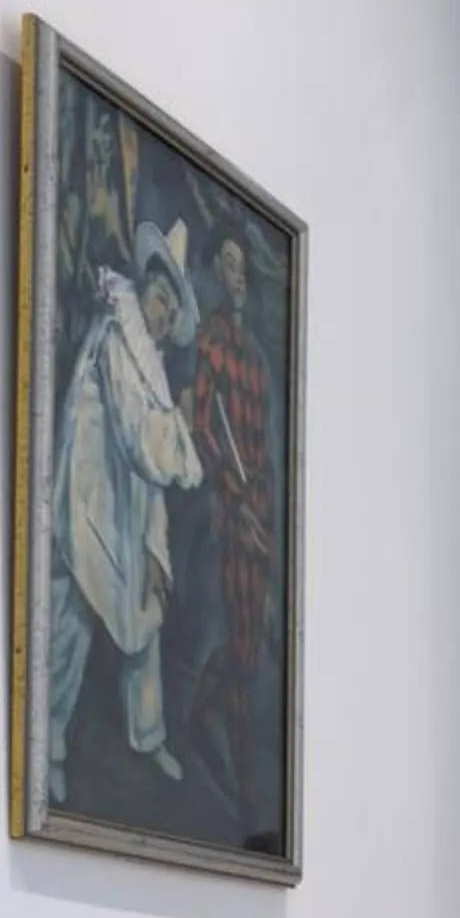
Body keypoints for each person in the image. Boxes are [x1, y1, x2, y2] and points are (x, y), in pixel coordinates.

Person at [46, 218, 204, 800]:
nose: (162, 315)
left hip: (129, 509)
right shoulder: (117, 333)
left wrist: (157, 547)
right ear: (145, 287)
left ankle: (147, 734)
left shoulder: (153, 362)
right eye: (161, 300)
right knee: (72, 615)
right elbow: (143, 441)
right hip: (89, 501)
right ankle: (50, 745)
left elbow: (149, 476)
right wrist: (183, 450)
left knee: (146, 617)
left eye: (170, 309)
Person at [188, 224, 277, 794]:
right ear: (216, 273)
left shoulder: (256, 358)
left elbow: (260, 442)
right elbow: (205, 429)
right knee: (243, 634)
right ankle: (216, 732)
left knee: (254, 633)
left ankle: (210, 721)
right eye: (228, 263)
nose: (238, 274)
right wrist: (237, 503)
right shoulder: (211, 344)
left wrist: (260, 508)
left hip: (259, 504)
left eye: (243, 264)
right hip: (232, 507)